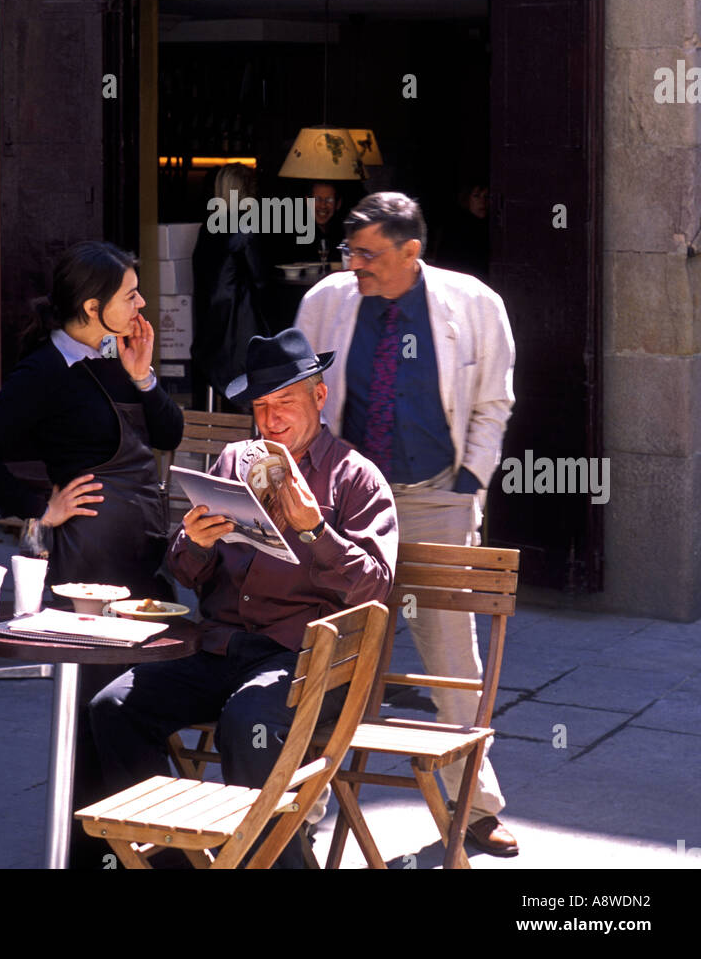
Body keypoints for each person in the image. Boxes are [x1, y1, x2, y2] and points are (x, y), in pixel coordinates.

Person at [89, 327, 397, 869]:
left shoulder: (356, 478)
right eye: (261, 406)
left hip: (307, 661)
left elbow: (374, 589)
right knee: (114, 705)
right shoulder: (235, 461)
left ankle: (269, 864)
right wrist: (195, 543)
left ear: (319, 398)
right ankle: (168, 859)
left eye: (284, 403)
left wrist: (313, 532)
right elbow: (184, 571)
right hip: (222, 648)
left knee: (247, 721)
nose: (272, 420)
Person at [295, 192, 518, 857]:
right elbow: (302, 394)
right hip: (350, 502)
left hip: (435, 499)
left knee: (453, 657)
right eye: (349, 251)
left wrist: (470, 483)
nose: (352, 263)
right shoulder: (326, 302)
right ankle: (301, 806)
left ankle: (475, 806)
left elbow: (494, 401)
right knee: (333, 651)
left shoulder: (474, 304)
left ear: (410, 252)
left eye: (367, 253)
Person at [0, 240, 184, 867]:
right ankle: (107, 849)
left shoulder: (114, 360)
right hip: (88, 567)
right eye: (129, 296)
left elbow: (169, 434)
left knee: (128, 701)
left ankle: (131, 839)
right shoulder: (41, 374)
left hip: (139, 558)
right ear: (91, 306)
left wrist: (144, 376)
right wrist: (40, 505)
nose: (142, 304)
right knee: (102, 705)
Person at [191, 162, 273, 403]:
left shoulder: (208, 227)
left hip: (211, 328)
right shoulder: (246, 225)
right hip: (239, 327)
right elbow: (260, 278)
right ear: (247, 190)